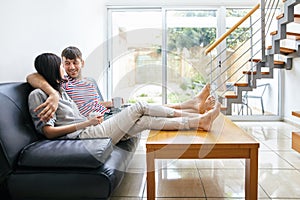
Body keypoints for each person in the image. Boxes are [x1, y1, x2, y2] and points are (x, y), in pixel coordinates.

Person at [28, 53, 221, 144]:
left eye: (71, 63)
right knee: (140, 106)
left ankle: (199, 122)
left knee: (146, 120)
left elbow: (76, 112)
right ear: (53, 68)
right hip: (84, 135)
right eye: (63, 65)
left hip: (93, 126)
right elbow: (49, 132)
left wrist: (94, 115)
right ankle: (195, 113)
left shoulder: (60, 91)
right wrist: (84, 124)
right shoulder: (39, 95)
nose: (67, 68)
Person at [27, 46, 216, 122]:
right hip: (99, 120)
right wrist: (52, 93)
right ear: (62, 65)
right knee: (146, 110)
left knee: (145, 106)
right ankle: (192, 110)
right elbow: (32, 77)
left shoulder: (88, 82)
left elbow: (92, 103)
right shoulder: (62, 83)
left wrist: (110, 102)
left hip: (107, 111)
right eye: (66, 63)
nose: (71, 67)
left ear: (82, 62)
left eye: (74, 62)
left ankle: (192, 106)